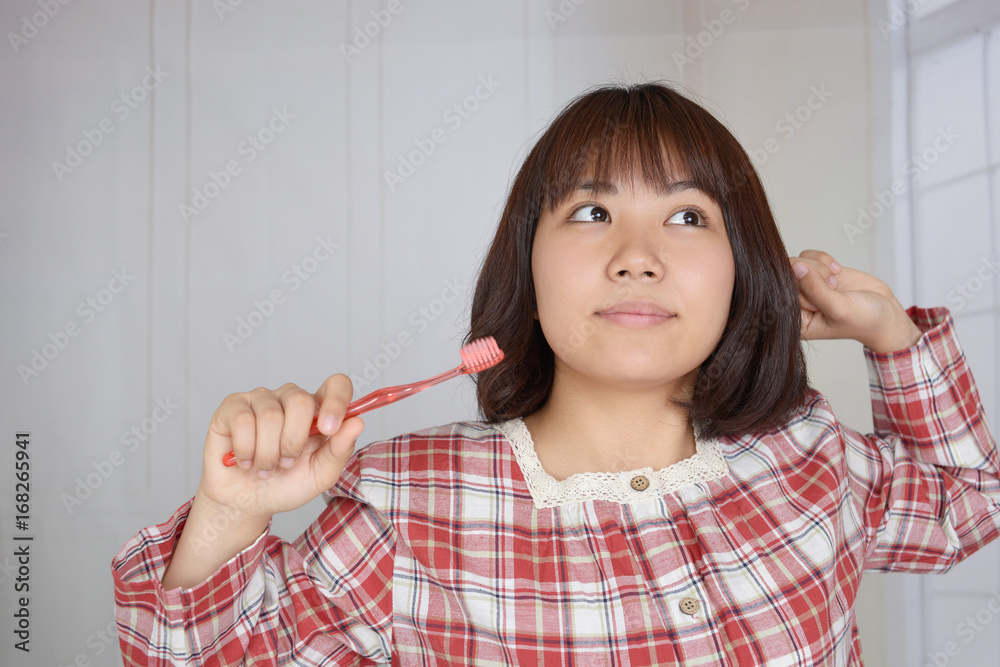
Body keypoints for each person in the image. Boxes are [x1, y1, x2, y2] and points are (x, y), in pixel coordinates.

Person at [111, 80, 999, 666]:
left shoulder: (806, 448)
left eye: (688, 216)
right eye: (592, 211)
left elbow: (968, 503)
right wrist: (231, 510)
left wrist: (891, 336)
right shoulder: (403, 510)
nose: (638, 256)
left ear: (744, 270)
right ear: (527, 270)